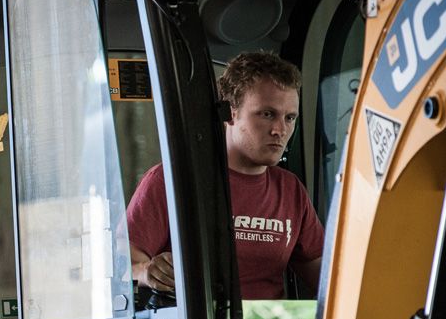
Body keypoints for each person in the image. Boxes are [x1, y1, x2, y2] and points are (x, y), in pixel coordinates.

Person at [127, 51, 324, 299]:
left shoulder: (290, 190)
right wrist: (147, 271)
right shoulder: (173, 180)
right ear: (230, 113)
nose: (280, 130)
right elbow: (123, 266)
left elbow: (329, 280)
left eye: (290, 117)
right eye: (267, 114)